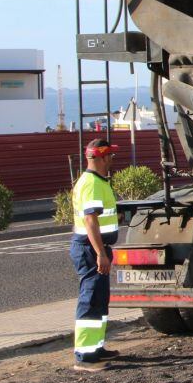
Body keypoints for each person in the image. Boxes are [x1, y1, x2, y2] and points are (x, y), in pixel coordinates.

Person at [69, 138, 122, 371]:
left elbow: (99, 218)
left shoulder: (97, 181)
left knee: (99, 299)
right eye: (110, 155)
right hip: (91, 250)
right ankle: (84, 355)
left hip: (96, 249)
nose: (112, 159)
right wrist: (101, 253)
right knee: (90, 300)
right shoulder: (91, 183)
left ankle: (95, 348)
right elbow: (90, 221)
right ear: (101, 157)